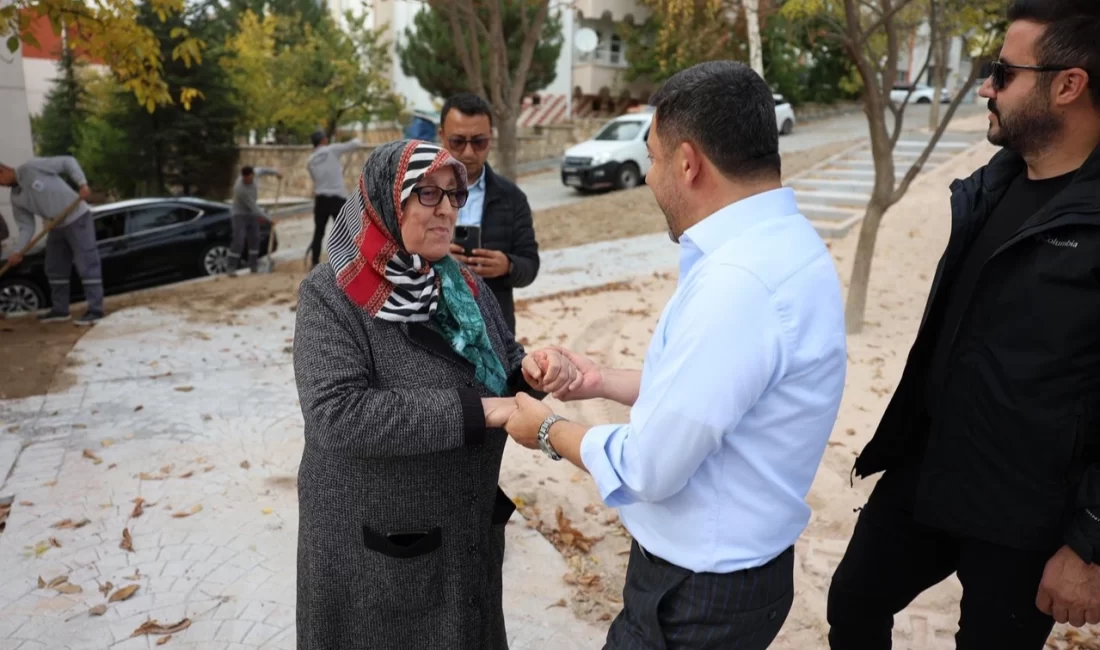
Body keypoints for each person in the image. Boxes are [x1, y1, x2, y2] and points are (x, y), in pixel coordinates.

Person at [504, 61, 848, 649]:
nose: (649, 177)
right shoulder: (785, 243)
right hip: (742, 573)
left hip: (699, 591)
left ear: (688, 163)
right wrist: (601, 380)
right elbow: (721, 397)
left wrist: (549, 431)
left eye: (655, 158)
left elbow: (651, 466)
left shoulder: (738, 282)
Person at [827, 2, 1100, 647]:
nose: (985, 87)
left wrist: (1087, 543)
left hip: (1025, 516)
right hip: (928, 472)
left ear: (1068, 85)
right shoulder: (992, 185)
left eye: (1002, 72)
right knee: (853, 605)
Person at [292, 139, 565, 649]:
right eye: (427, 194)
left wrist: (528, 369)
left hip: (462, 528)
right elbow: (337, 415)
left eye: (454, 194)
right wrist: (483, 411)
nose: (446, 209)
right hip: (377, 543)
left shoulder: (458, 281)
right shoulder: (332, 294)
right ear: (384, 202)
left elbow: (499, 354)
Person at [440, 92, 539, 333]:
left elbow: (530, 264)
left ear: (491, 139)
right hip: (435, 325)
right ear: (441, 136)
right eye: (457, 141)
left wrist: (508, 266)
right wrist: (435, 260)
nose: (468, 152)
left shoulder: (512, 198)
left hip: (494, 329)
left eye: (478, 142)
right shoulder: (419, 193)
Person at [0, 157, 103, 325]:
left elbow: (67, 162)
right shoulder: (16, 198)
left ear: (3, 171)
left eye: (0, 181)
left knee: (87, 264)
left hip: (77, 217)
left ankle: (96, 310)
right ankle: (60, 310)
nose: (1, 185)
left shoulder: (31, 168)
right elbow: (26, 227)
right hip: (55, 225)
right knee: (54, 267)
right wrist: (18, 251)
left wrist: (82, 183)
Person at [306, 130, 361, 268]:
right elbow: (355, 143)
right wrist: (353, 135)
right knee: (345, 230)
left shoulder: (310, 161)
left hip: (321, 199)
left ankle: (314, 261)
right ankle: (349, 260)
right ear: (324, 140)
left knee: (319, 231)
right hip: (337, 198)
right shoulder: (332, 150)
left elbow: (315, 180)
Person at [229, 165, 280, 276]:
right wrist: (269, 219)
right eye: (245, 178)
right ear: (243, 177)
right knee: (239, 240)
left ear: (252, 174)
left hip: (252, 214)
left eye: (249, 178)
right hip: (239, 214)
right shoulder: (240, 188)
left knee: (255, 238)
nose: (248, 180)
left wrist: (276, 173)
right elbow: (254, 207)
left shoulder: (257, 173)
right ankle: (231, 267)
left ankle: (253, 266)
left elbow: (264, 169)